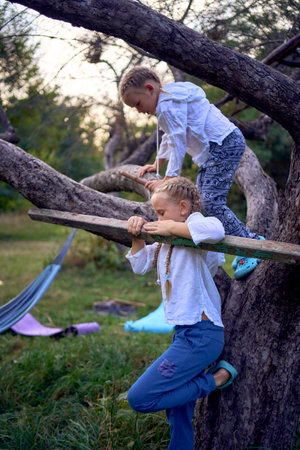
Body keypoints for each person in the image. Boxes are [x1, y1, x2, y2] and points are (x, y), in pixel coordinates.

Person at [119, 66, 264, 279]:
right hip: (215, 149)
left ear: (150, 88)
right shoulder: (169, 102)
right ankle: (240, 241)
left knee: (211, 203)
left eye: (138, 104)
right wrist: (157, 165)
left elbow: (178, 141)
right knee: (199, 203)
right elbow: (170, 137)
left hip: (222, 144)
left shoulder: (167, 105)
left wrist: (168, 179)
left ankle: (250, 246)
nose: (138, 110)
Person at [125, 177, 237, 450]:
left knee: (140, 398)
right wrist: (136, 237)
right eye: (155, 214)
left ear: (184, 208)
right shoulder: (166, 244)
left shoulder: (195, 228)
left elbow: (216, 229)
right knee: (178, 411)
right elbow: (140, 265)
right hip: (184, 335)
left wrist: (171, 226)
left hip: (201, 334)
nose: (157, 218)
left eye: (161, 212)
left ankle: (215, 380)